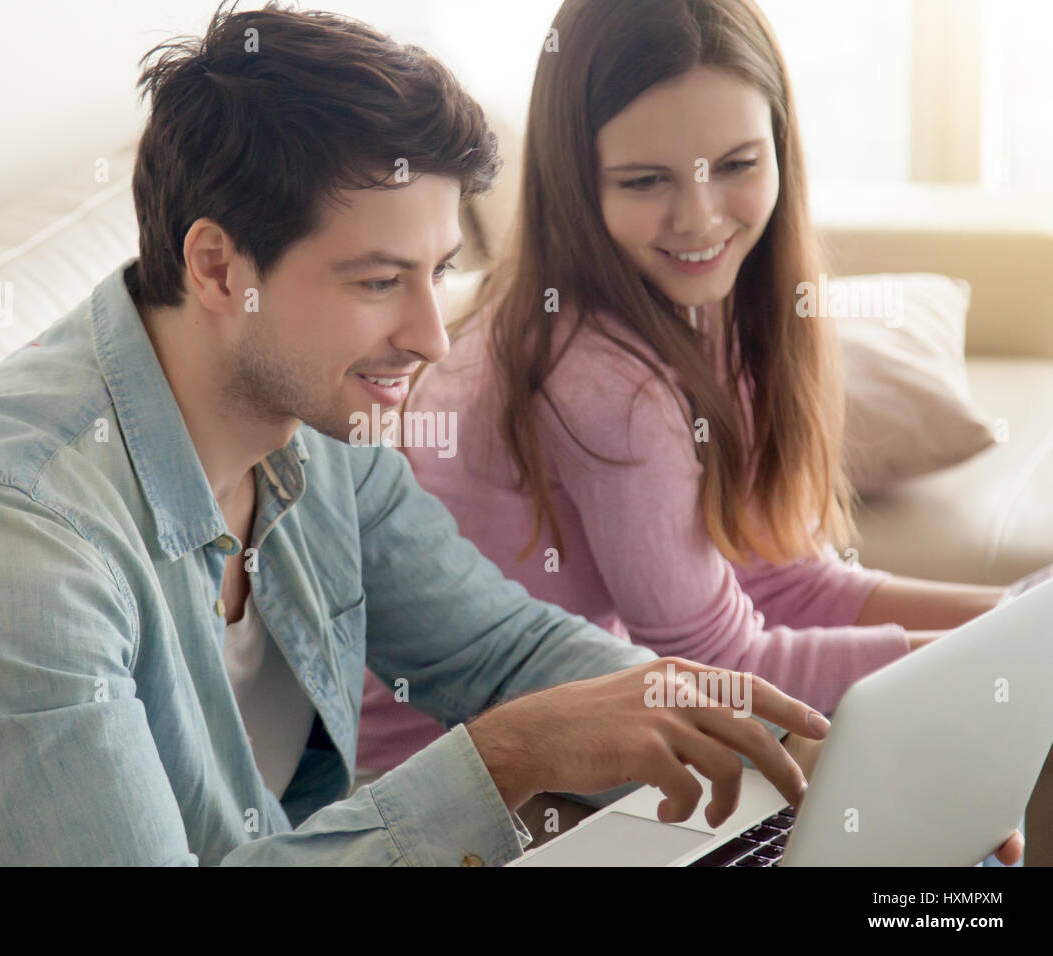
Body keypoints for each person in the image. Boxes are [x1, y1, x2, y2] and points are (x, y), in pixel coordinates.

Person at [0, 1, 864, 868]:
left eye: (438, 272)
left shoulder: (316, 425)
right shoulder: (5, 538)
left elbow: (508, 653)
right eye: (379, 280)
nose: (430, 334)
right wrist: (512, 755)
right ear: (216, 265)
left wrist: (799, 756)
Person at [355, 0, 1028, 865]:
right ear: (575, 178)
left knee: (951, 850)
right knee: (947, 866)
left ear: (781, 147)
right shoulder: (599, 379)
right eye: (646, 181)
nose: (700, 218)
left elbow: (783, 579)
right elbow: (724, 658)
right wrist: (989, 665)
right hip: (499, 813)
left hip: (611, 757)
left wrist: (1013, 625)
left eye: (738, 164)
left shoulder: (701, 307)